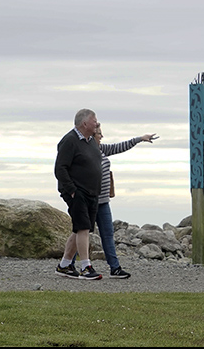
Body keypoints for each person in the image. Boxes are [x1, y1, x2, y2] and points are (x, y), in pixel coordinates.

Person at [92, 124, 158, 279]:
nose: (102, 137)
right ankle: (68, 263)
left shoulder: (101, 149)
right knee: (80, 233)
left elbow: (119, 147)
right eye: (99, 134)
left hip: (103, 201)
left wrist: (140, 139)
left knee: (108, 234)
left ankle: (115, 268)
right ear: (91, 135)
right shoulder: (85, 151)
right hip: (89, 201)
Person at [54, 108, 104, 280]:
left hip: (92, 192)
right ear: (84, 123)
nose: (97, 123)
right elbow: (60, 168)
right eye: (94, 120)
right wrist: (72, 190)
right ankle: (86, 267)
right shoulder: (69, 140)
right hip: (77, 191)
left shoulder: (91, 141)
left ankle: (64, 265)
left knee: (80, 229)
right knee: (83, 227)